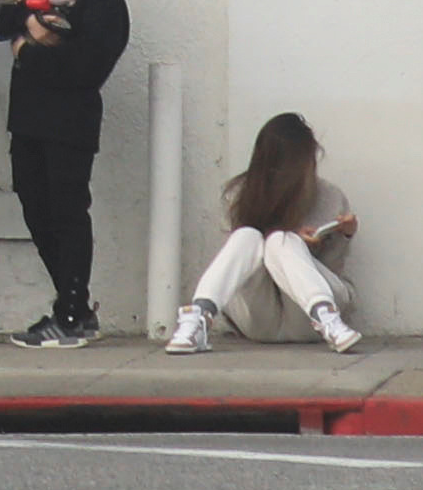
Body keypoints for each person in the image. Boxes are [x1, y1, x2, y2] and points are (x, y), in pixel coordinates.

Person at [0, 0, 130, 349]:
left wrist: (29, 52)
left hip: (70, 115)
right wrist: (30, 26)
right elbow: (3, 19)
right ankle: (76, 306)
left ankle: (70, 312)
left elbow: (90, 62)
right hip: (28, 112)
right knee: (33, 203)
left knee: (68, 210)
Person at [157, 112, 367, 355]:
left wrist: (342, 236)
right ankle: (198, 318)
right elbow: (236, 270)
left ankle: (326, 316)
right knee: (248, 236)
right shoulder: (238, 195)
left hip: (308, 319)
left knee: (282, 240)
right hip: (259, 318)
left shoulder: (329, 197)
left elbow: (333, 270)